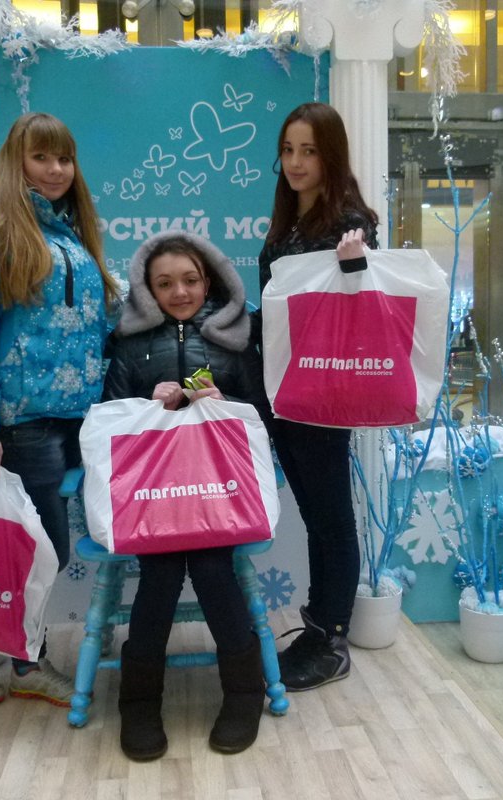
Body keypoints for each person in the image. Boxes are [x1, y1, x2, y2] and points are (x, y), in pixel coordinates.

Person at [0, 112, 121, 706]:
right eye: (41, 157)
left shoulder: (70, 233)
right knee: (36, 547)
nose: (55, 169)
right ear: (16, 162)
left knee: (39, 547)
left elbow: (96, 321)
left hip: (75, 416)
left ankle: (7, 653)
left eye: (63, 158)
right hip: (23, 418)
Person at [103, 230, 267, 760]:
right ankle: (138, 702)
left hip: (218, 494)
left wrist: (224, 403)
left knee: (216, 573)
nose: (180, 292)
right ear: (146, 289)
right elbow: (108, 419)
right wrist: (148, 407)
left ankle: (245, 693)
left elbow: (261, 417)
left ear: (209, 281)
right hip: (154, 498)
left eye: (190, 280)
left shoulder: (234, 338)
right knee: (161, 576)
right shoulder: (129, 342)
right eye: (165, 283)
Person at [258, 102, 379, 691]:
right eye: (288, 150)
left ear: (330, 154)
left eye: (308, 150)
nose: (296, 162)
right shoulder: (288, 222)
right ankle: (317, 626)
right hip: (286, 388)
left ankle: (333, 637)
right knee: (314, 515)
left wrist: (356, 266)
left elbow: (362, 307)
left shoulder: (349, 222)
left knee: (331, 517)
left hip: (325, 390)